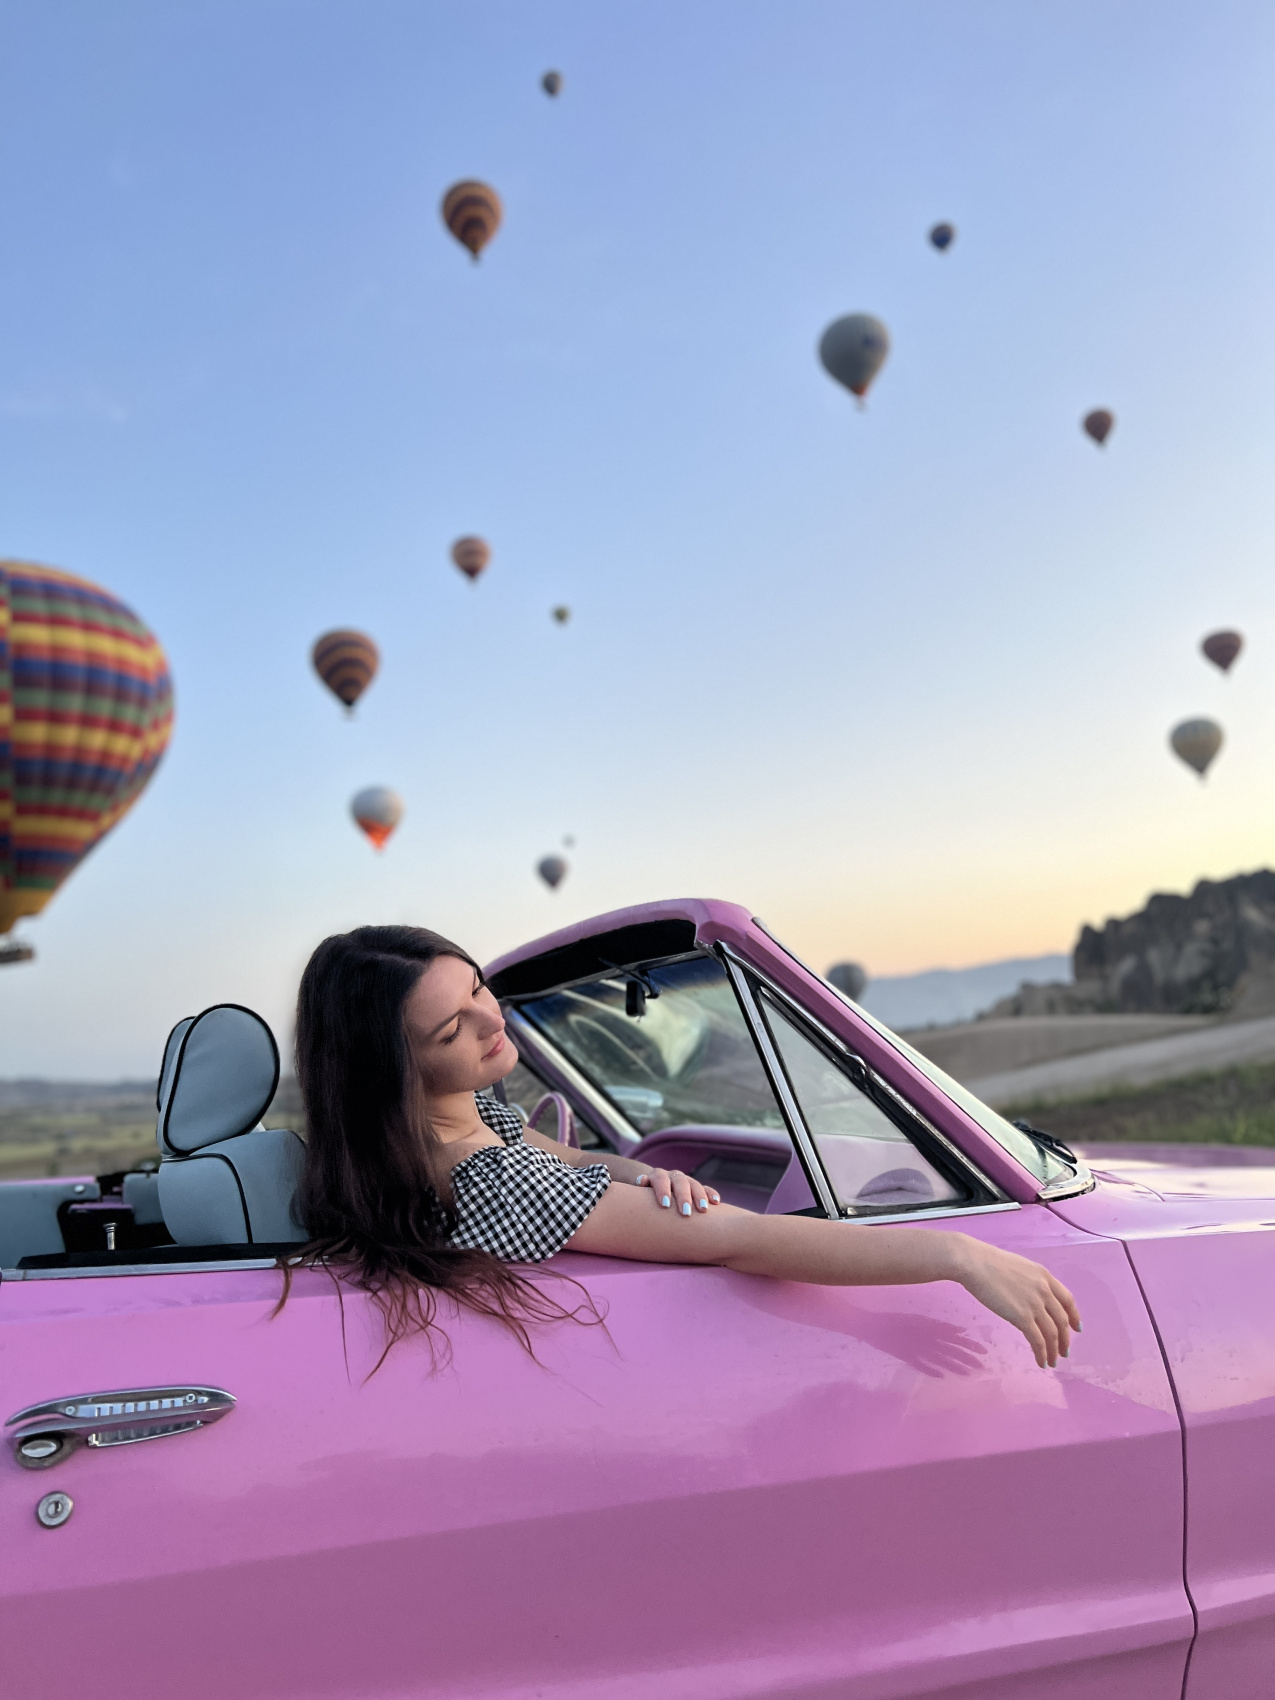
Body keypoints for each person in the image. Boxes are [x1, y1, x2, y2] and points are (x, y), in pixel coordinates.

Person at [293, 925, 1080, 1368]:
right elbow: (737, 1239)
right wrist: (956, 1255)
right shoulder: (488, 1181)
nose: (491, 1021)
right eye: (450, 1030)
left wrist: (645, 1176)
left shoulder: (458, 1124)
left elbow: (574, 1160)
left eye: (476, 988)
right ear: (390, 1069)